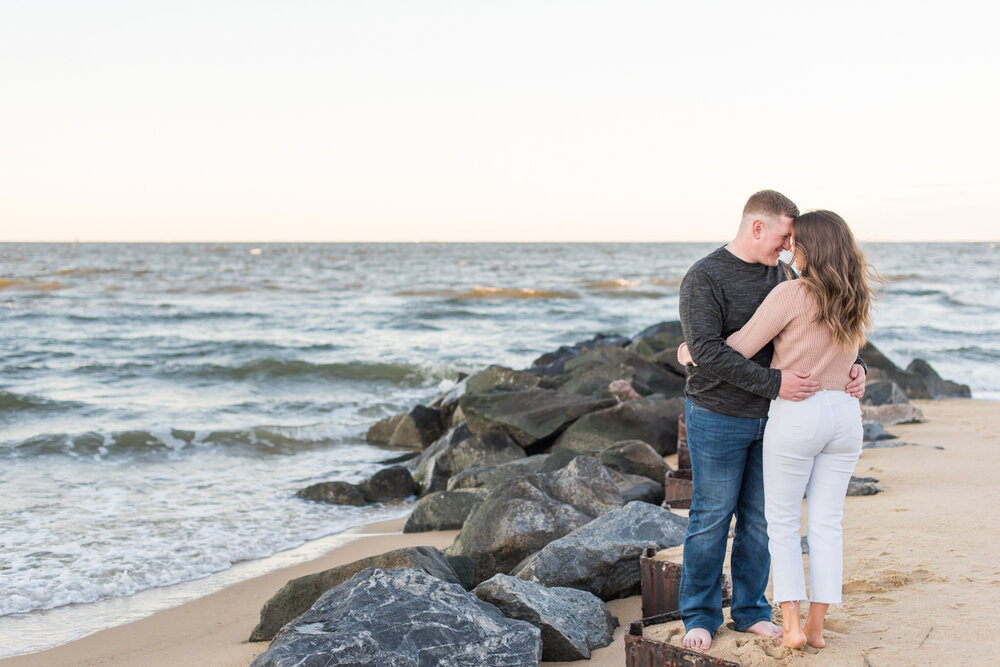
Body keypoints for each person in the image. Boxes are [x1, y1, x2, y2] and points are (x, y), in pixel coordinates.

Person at [676, 191, 867, 650]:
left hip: (779, 415)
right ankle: (699, 616)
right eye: (784, 236)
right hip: (719, 411)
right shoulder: (704, 276)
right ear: (757, 227)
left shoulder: (787, 275)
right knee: (711, 517)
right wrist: (769, 381)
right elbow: (710, 349)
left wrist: (855, 370)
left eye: (794, 241)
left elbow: (825, 333)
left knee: (761, 521)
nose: (788, 248)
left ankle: (750, 612)